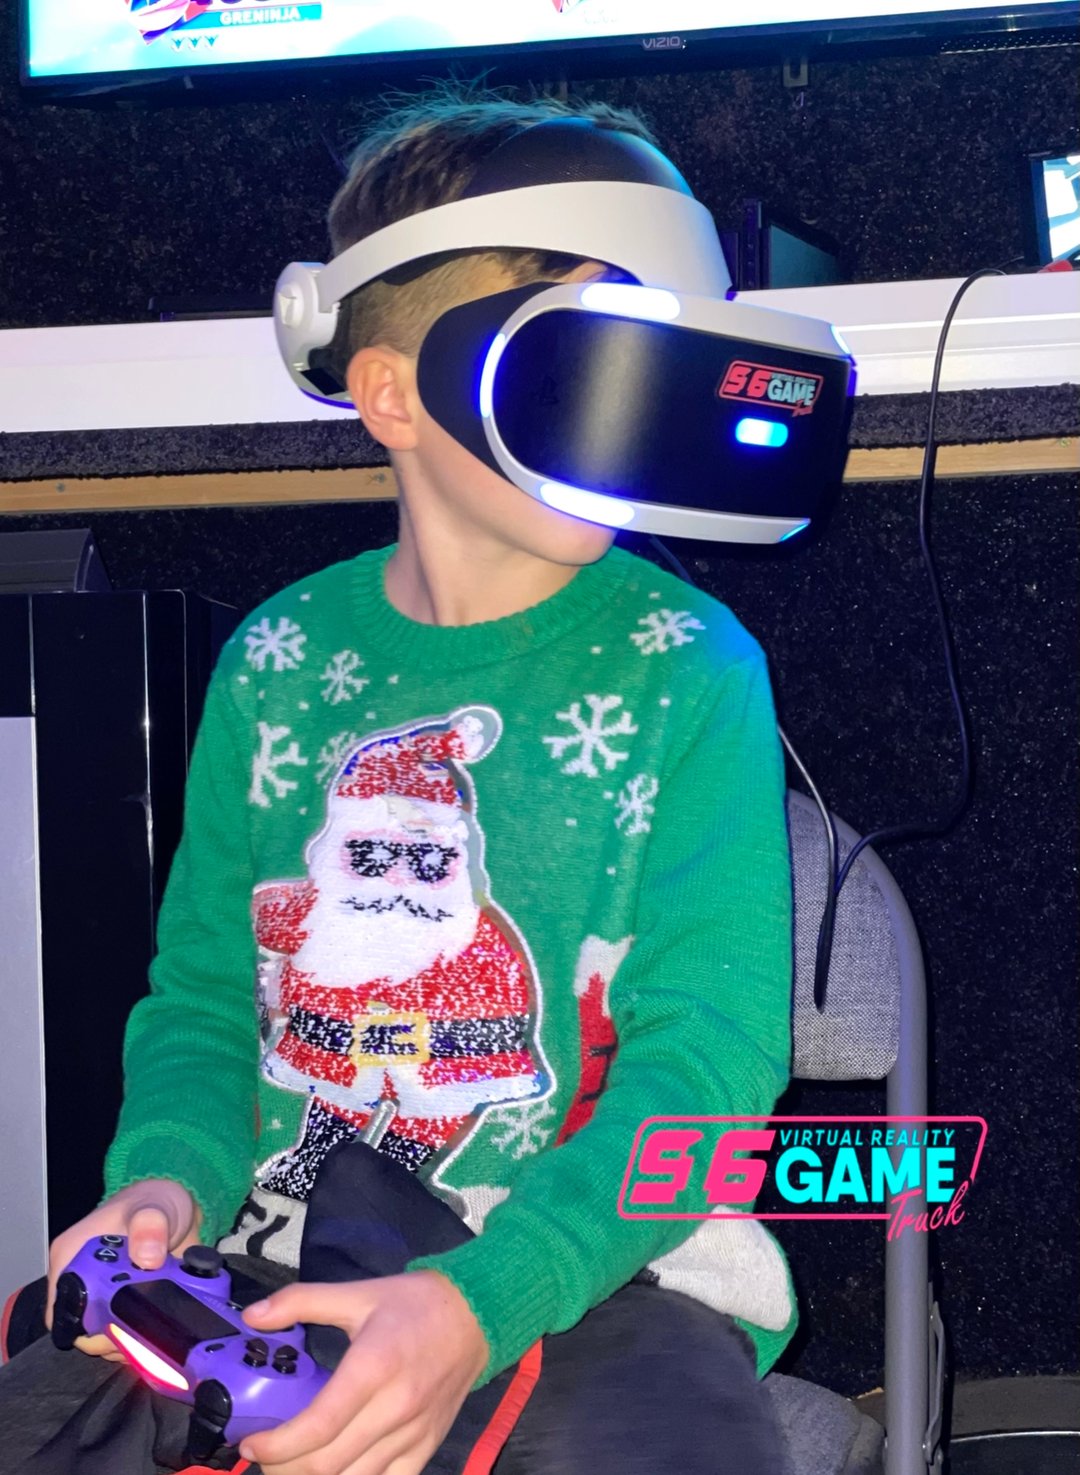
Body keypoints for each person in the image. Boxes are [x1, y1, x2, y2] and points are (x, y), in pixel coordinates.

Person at [0, 83, 799, 1475]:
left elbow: (710, 1069)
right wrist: (162, 1181)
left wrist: (481, 1304)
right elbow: (203, 1002)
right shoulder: (279, 661)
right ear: (392, 393)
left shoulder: (693, 669)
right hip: (280, 1249)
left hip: (602, 1270)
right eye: (588, 359)